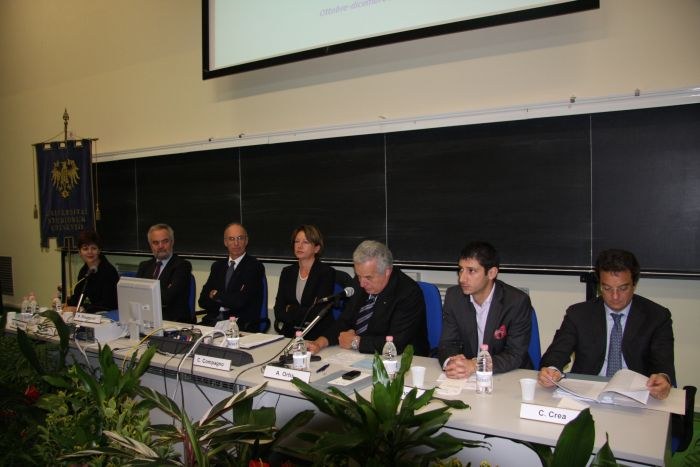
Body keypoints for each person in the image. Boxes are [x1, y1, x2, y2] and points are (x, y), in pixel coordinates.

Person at [538, 249, 674, 400]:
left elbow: (663, 364)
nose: (615, 296)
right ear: (599, 285)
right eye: (607, 288)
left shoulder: (657, 316)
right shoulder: (578, 314)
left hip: (636, 394)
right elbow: (557, 353)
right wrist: (551, 370)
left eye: (623, 288)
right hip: (587, 392)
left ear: (634, 284)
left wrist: (662, 379)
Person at [306, 240, 429, 356]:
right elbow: (344, 321)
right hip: (361, 355)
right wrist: (319, 343)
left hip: (404, 359)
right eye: (359, 276)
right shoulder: (360, 282)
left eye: (368, 278)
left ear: (387, 272)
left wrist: (356, 342)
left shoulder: (408, 293)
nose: (362, 283)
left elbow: (396, 343)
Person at [438, 241, 533, 379]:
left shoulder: (516, 302)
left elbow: (515, 354)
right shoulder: (454, 297)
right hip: (468, 377)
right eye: (461, 269)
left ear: (491, 273)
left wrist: (476, 364)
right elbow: (448, 343)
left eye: (471, 271)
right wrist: (452, 362)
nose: (462, 278)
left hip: (507, 375)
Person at [199, 222, 266, 332]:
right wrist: (227, 300)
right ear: (225, 242)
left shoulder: (254, 266)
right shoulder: (217, 266)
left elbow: (240, 302)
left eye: (240, 238)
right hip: (212, 323)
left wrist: (216, 295)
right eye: (231, 239)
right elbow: (202, 300)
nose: (236, 243)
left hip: (240, 326)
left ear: (246, 241)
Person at [273, 225, 335, 339]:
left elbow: (317, 313)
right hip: (289, 333)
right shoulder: (287, 272)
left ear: (316, 248)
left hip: (316, 335)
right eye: (297, 241)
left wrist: (290, 309)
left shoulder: (326, 273)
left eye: (305, 242)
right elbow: (278, 311)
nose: (299, 246)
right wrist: (303, 311)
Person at [136, 223, 193, 323]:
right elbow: (135, 295)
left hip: (173, 321)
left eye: (165, 241)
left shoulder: (182, 266)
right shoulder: (144, 266)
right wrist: (164, 289)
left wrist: (146, 292)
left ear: (172, 242)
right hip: (146, 318)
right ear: (150, 245)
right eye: (155, 243)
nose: (160, 246)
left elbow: (167, 298)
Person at [65, 230, 119, 313]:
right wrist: (66, 304)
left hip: (108, 314)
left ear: (99, 250)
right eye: (85, 249)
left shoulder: (109, 271)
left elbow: (109, 304)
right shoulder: (84, 271)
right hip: (92, 313)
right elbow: (78, 297)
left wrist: (83, 309)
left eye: (93, 248)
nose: (89, 252)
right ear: (80, 252)